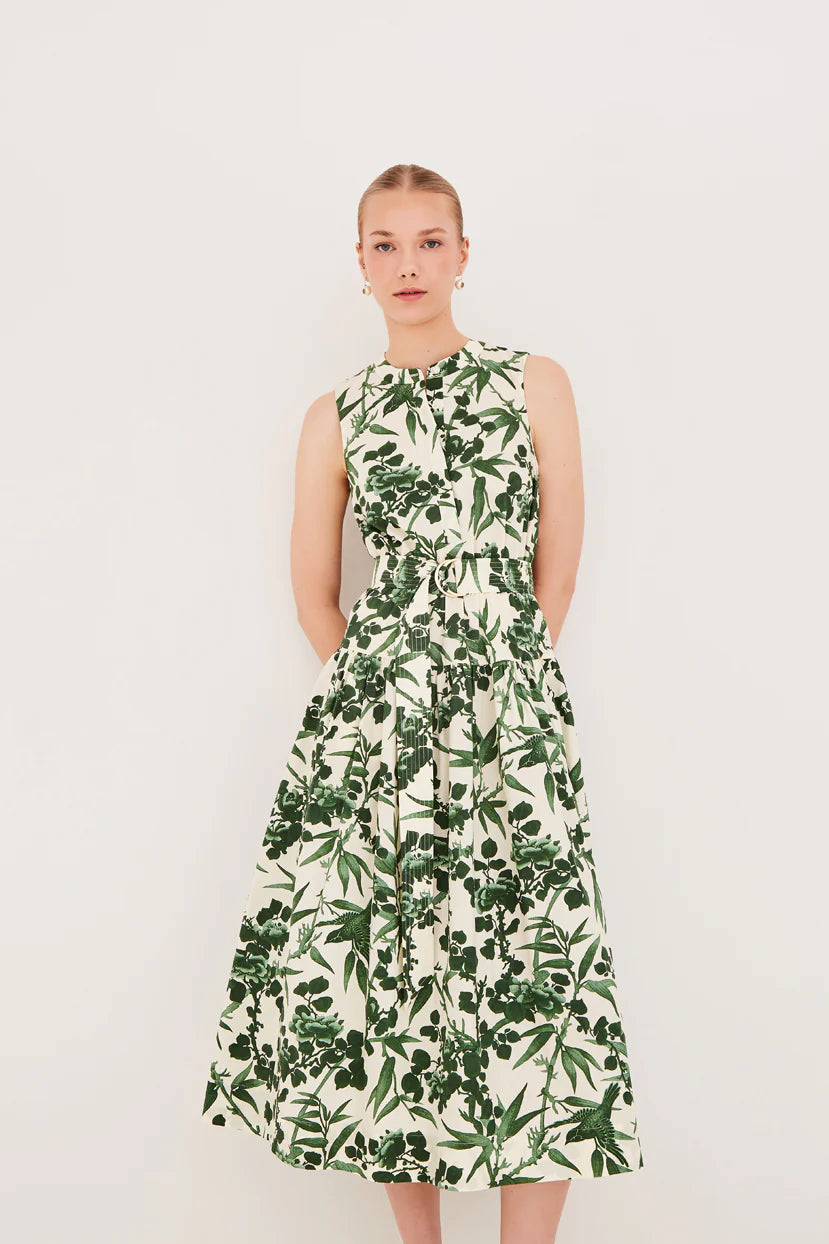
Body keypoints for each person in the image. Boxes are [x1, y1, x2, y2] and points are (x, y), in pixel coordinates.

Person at [201, 163, 645, 1244]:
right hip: (378, 730)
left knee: (537, 988)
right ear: (359, 267)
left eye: (429, 241)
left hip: (510, 720)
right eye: (386, 245)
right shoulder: (336, 416)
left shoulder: (534, 381)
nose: (408, 264)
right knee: (399, 983)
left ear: (462, 254)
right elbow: (316, 595)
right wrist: (383, 703)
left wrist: (505, 689)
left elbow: (557, 569)